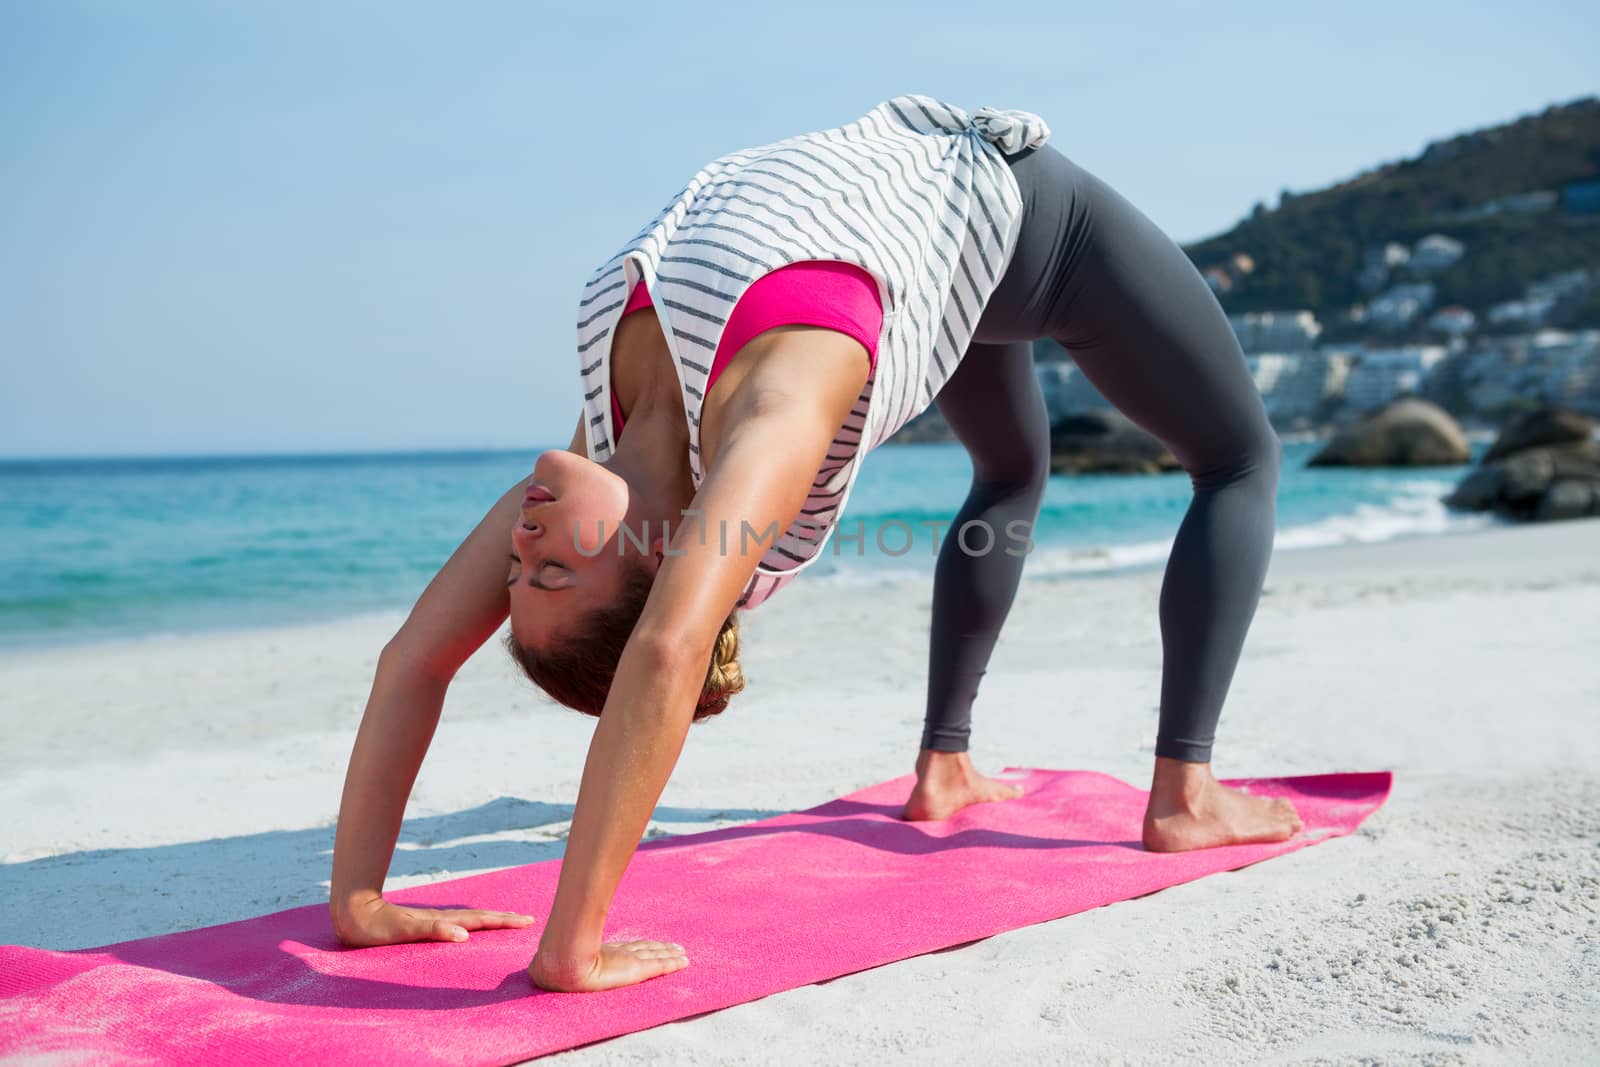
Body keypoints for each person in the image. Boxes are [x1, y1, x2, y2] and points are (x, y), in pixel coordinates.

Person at [328, 93, 1303, 994]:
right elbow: (667, 647)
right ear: (664, 553)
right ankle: (1185, 791)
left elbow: (415, 658)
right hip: (1029, 224)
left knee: (1013, 471)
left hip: (929, 252)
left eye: (517, 568)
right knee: (1238, 459)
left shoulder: (603, 436)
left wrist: (359, 899)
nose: (525, 535)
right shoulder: (775, 411)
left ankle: (944, 765)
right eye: (551, 569)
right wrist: (569, 947)